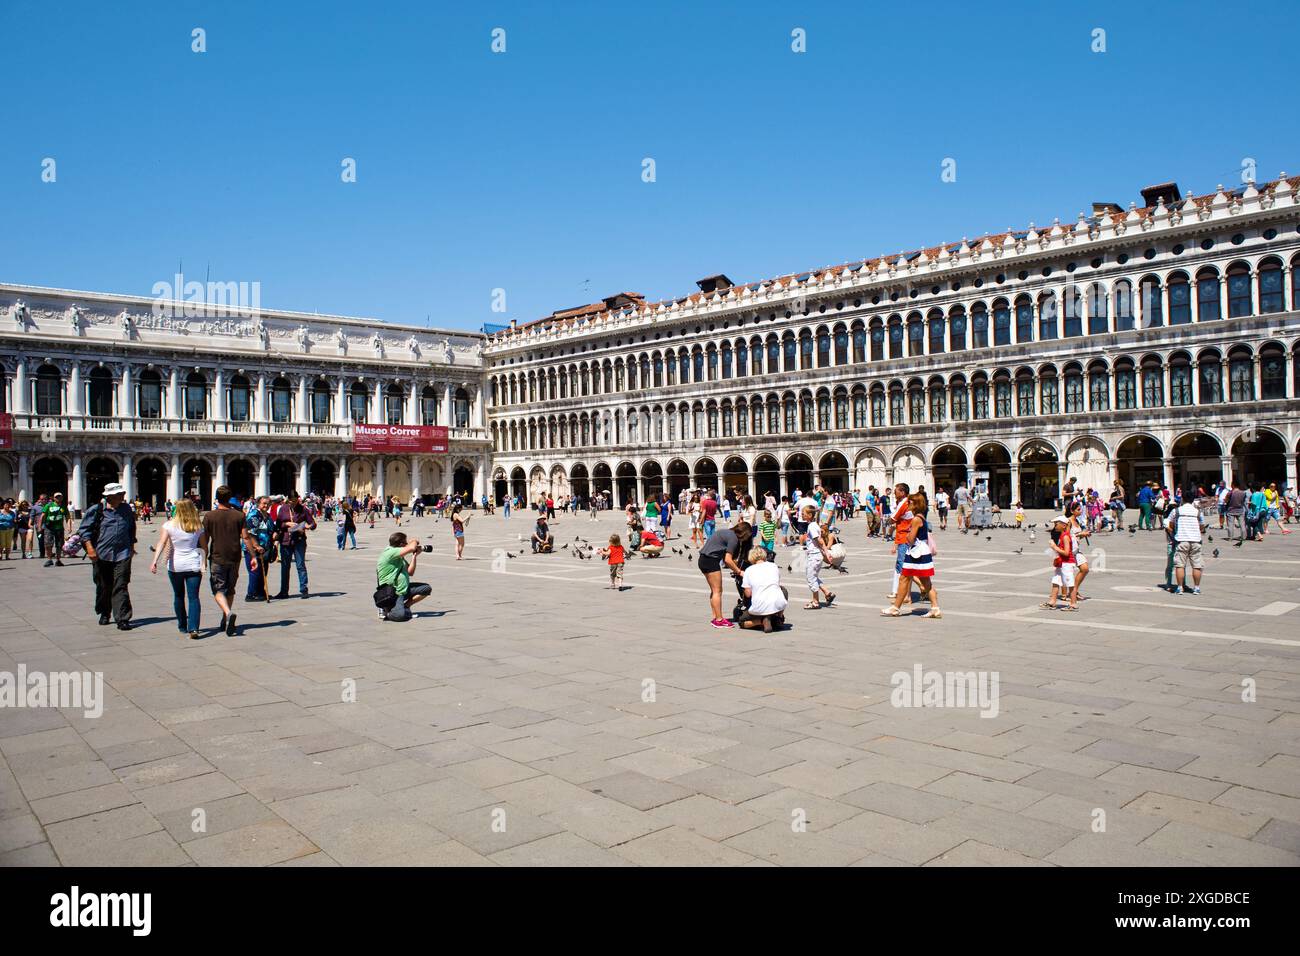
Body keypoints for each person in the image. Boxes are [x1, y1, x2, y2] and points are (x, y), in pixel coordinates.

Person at [78, 482, 137, 630]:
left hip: (123, 553)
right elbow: (84, 531)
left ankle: (123, 618)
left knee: (121, 584)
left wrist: (131, 546)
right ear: (109, 497)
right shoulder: (96, 510)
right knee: (104, 586)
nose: (123, 497)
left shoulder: (126, 509)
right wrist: (90, 549)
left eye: (122, 494)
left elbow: (131, 528)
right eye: (119, 495)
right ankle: (104, 612)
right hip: (101, 554)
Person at [150, 498, 206, 639]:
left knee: (178, 596)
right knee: (194, 597)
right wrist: (203, 562)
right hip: (193, 565)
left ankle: (182, 625)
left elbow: (161, 543)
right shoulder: (197, 525)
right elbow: (204, 546)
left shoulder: (169, 525)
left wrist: (154, 561)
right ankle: (194, 628)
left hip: (176, 566)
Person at [204, 486, 253, 636]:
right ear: (230, 498)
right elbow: (245, 537)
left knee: (218, 589)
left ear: (216, 498)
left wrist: (202, 558)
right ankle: (225, 619)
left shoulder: (209, 516)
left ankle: (228, 612)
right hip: (235, 557)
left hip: (217, 557)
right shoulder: (239, 516)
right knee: (230, 589)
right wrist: (253, 556)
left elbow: (204, 540)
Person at [882, 493, 940, 618]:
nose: (908, 504)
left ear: (916, 504)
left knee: (906, 578)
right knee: (922, 580)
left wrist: (907, 535)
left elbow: (911, 538)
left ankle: (896, 608)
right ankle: (934, 608)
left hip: (916, 552)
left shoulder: (916, 519)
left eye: (910, 502)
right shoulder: (920, 517)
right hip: (921, 551)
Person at [697, 520, 752, 629]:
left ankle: (715, 617)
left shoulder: (725, 532)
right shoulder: (734, 538)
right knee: (718, 591)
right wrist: (739, 571)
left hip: (703, 559)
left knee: (714, 590)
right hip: (711, 561)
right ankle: (719, 620)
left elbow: (719, 549)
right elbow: (727, 560)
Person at [376, 532, 432, 622]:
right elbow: (412, 547)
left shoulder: (398, 556)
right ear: (401, 544)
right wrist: (414, 541)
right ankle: (386, 611)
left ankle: (406, 606)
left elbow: (410, 572)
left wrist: (414, 556)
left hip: (403, 589)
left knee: (426, 588)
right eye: (405, 542)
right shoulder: (390, 552)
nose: (406, 544)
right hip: (392, 592)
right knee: (400, 616)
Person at [274, 491, 316, 598]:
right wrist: (287, 523)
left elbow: (313, 523)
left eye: (295, 501)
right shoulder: (283, 508)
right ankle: (284, 591)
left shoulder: (303, 509)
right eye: (291, 501)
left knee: (300, 565)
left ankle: (304, 589)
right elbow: (278, 524)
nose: (293, 503)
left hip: (299, 540)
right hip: (286, 540)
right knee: (285, 566)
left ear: (298, 499)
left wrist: (307, 527)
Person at [739, 547, 788, 633]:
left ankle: (761, 621)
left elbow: (748, 594)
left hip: (759, 606)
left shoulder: (749, 570)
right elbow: (777, 584)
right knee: (783, 590)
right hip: (777, 603)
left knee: (742, 621)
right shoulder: (774, 566)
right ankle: (778, 618)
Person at [1165, 496, 1206, 595]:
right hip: (1195, 540)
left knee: (1180, 565)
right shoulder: (1198, 512)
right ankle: (1196, 588)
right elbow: (1202, 526)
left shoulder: (1176, 511)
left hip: (1182, 540)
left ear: (1182, 499)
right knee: (1197, 565)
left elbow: (1170, 525)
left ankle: (1179, 588)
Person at [799, 504, 836, 610]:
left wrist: (826, 552)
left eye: (803, 514)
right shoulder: (814, 525)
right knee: (813, 577)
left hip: (814, 556)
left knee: (811, 578)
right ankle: (827, 593)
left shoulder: (812, 526)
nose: (801, 515)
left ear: (810, 515)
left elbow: (819, 541)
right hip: (815, 555)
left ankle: (815, 602)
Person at [1041, 515, 1078, 611]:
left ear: (1064, 525)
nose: (1055, 526)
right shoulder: (1062, 535)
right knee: (1056, 581)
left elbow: (1066, 552)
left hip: (1067, 563)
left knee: (1070, 583)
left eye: (1056, 524)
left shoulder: (1065, 536)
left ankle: (1073, 604)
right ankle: (1052, 602)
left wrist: (1054, 547)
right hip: (1061, 563)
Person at [41, 492, 69, 567]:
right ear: (54, 498)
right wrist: (41, 526)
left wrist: (69, 527)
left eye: (60, 497)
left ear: (62, 498)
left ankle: (58, 560)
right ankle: (49, 559)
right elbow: (43, 515)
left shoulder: (63, 506)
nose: (58, 498)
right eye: (57, 497)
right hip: (49, 527)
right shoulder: (48, 505)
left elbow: (67, 516)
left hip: (59, 528)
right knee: (48, 544)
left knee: (59, 544)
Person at [1225, 481, 1248, 546]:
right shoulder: (1243, 493)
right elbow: (1243, 501)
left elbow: (1226, 501)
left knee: (1230, 525)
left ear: (1233, 485)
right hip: (1240, 510)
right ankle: (1243, 537)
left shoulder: (1230, 493)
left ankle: (1230, 537)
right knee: (1242, 524)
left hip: (1231, 510)